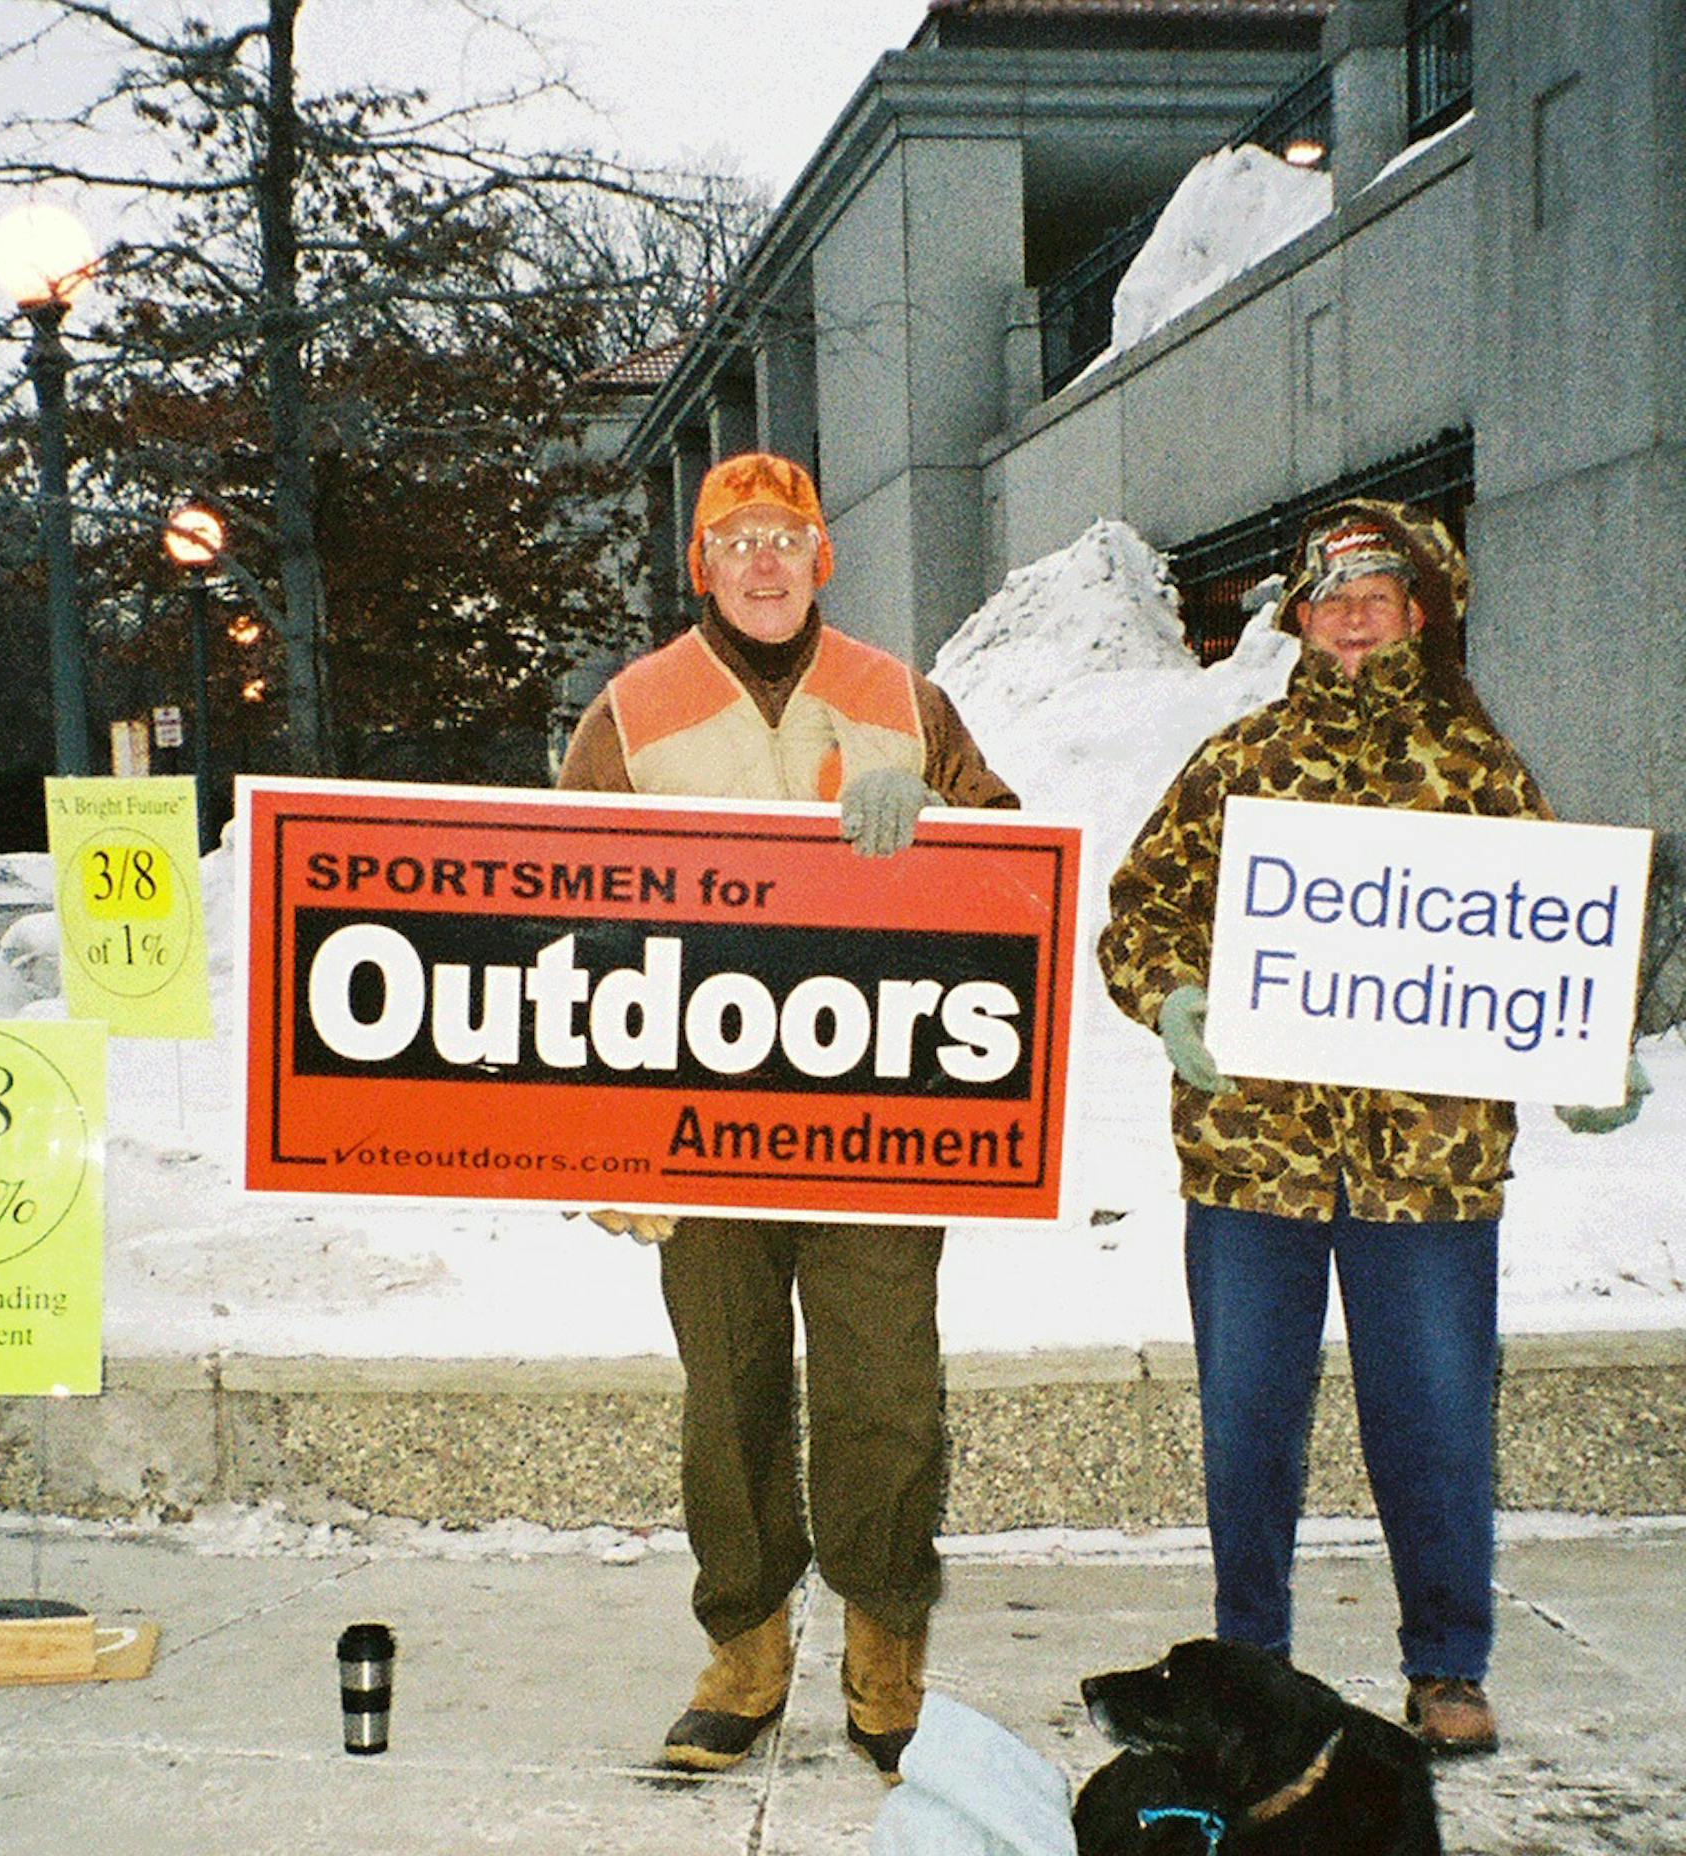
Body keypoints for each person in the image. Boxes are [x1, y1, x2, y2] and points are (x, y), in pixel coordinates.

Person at [1097, 498, 1650, 1757]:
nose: (1353, 620)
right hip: (1254, 1159)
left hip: (1429, 1168)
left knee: (1437, 1418)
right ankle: (1249, 1662)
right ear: (1301, 619)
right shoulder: (1235, 764)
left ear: (1415, 615)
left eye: (1378, 599)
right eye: (1332, 599)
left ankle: (1448, 1663)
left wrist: (1586, 1050)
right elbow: (1139, 912)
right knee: (1247, 1425)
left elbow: (1557, 940)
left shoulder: (1479, 770)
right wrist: (1173, 996)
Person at [556, 452, 1017, 1781]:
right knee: (731, 1393)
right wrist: (596, 1136)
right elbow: (558, 912)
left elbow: (1015, 872)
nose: (763, 559)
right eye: (736, 538)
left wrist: (943, 815)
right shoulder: (630, 714)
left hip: (878, 1121)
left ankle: (885, 1645)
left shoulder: (902, 698)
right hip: (697, 1127)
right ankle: (745, 1649)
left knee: (887, 1393)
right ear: (700, 565)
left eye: (786, 535)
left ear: (824, 556)